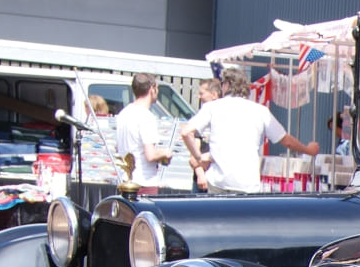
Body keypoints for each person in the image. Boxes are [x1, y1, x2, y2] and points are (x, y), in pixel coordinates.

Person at [180, 68, 318, 193]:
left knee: (216, 221)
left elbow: (186, 132)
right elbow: (286, 141)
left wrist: (198, 157)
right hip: (247, 184)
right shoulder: (260, 111)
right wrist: (308, 150)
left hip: (218, 181)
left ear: (226, 85)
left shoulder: (212, 107)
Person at [113, 73, 173, 190]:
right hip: (144, 182)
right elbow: (150, 155)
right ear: (152, 89)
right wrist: (166, 153)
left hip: (125, 180)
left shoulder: (123, 113)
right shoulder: (147, 117)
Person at [192, 79, 220, 191]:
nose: (199, 97)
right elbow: (194, 151)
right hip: (201, 179)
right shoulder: (200, 121)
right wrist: (200, 174)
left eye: (202, 93)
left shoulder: (223, 119)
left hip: (218, 180)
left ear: (214, 95)